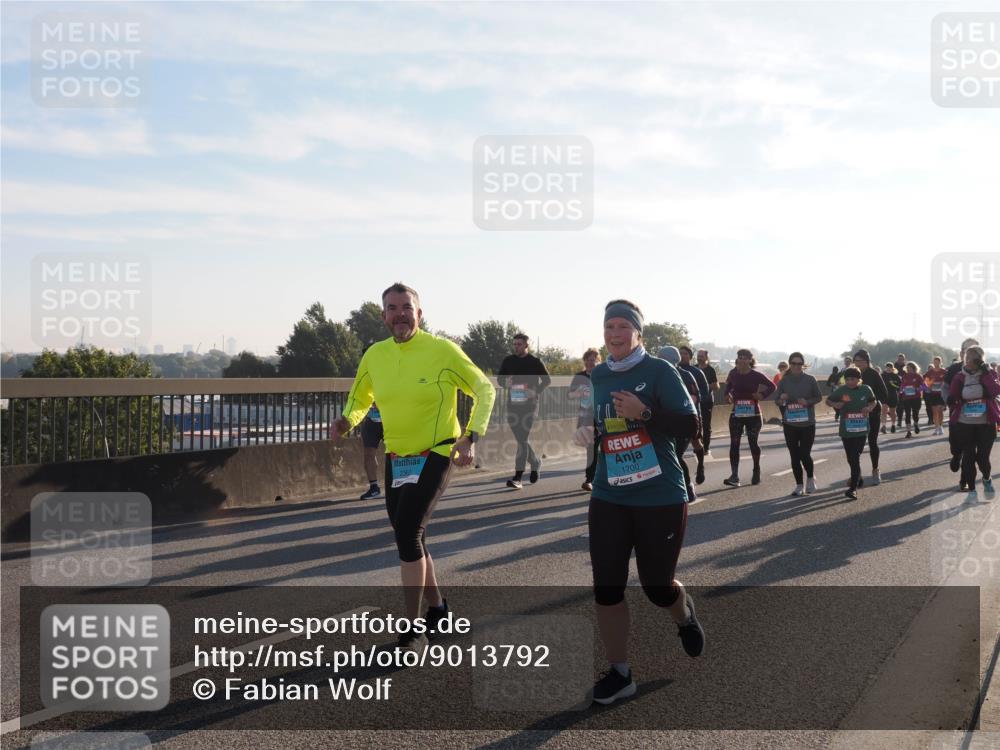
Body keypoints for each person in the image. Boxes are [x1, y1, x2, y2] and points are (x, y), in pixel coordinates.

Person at [331, 283, 496, 653]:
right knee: (411, 535)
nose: (400, 314)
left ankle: (412, 629)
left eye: (407, 307)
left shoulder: (442, 350)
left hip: (437, 451)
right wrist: (347, 420)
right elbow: (360, 397)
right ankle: (438, 609)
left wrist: (471, 436)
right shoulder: (375, 355)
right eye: (392, 308)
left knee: (408, 531)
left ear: (419, 314)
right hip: (397, 457)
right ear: (383, 316)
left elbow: (485, 390)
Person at [573, 299, 703, 706]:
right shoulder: (597, 376)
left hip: (659, 494)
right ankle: (620, 672)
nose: (614, 333)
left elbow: (690, 424)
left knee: (656, 586)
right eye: (609, 326)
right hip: (609, 493)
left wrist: (644, 412)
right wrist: (585, 429)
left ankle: (682, 613)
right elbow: (590, 417)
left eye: (622, 326)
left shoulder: (660, 371)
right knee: (606, 586)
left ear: (638, 333)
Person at [497, 334, 551, 489]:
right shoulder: (508, 361)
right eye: (514, 344)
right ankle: (535, 462)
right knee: (522, 439)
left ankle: (518, 477)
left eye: (519, 344)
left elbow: (547, 380)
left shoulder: (535, 362)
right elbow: (500, 379)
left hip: (530, 406)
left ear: (526, 345)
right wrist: (505, 383)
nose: (516, 347)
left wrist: (535, 391)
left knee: (522, 440)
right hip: (513, 405)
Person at [948, 345, 999, 494]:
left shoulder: (989, 374)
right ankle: (971, 490)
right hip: (965, 422)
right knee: (968, 457)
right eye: (967, 358)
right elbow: (952, 396)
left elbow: (996, 390)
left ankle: (987, 479)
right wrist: (951, 399)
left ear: (980, 360)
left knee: (983, 458)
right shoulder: (959, 376)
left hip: (986, 423)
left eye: (974, 358)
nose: (969, 361)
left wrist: (985, 373)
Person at [721, 349, 776, 487]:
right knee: (734, 444)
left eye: (745, 358)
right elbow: (728, 387)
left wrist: (762, 395)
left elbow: (772, 386)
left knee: (753, 443)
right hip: (737, 413)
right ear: (737, 359)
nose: (742, 360)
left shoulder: (756, 375)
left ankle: (756, 470)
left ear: (750, 360)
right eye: (740, 357)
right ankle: (734, 476)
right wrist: (727, 396)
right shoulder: (733, 373)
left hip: (754, 414)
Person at [773, 352, 823, 496]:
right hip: (790, 424)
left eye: (799, 364)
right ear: (790, 364)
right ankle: (799, 485)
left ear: (803, 365)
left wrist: (807, 402)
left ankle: (810, 479)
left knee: (805, 454)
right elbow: (777, 401)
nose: (796, 366)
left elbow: (819, 397)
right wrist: (782, 399)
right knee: (794, 456)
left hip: (807, 423)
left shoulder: (810, 379)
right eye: (794, 363)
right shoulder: (784, 380)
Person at [659, 346, 704, 502]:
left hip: (685, 421)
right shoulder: (658, 375)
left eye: (661, 358)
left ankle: (689, 485)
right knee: (668, 455)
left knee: (677, 454)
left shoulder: (686, 375)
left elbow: (696, 398)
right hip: (665, 422)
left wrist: (695, 422)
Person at [826, 367, 878, 500]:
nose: (850, 382)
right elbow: (828, 400)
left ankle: (853, 489)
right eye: (847, 379)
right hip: (846, 430)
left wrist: (869, 408)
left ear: (859, 379)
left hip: (861, 429)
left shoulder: (866, 389)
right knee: (851, 458)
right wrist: (835, 404)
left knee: (855, 457)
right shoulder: (842, 390)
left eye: (853, 379)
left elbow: (873, 401)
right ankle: (857, 478)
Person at [852, 349, 888, 486]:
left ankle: (875, 469)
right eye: (856, 361)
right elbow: (843, 391)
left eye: (861, 361)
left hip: (872, 412)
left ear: (867, 361)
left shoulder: (874, 374)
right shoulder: (850, 374)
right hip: (855, 415)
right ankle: (857, 473)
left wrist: (871, 403)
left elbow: (884, 393)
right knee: (856, 445)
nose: (858, 363)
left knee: (872, 442)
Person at [945, 338, 980, 474]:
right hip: (957, 411)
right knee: (955, 441)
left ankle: (966, 478)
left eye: (975, 350)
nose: (971, 353)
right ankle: (956, 454)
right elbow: (945, 388)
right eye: (968, 350)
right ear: (961, 353)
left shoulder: (984, 369)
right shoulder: (954, 368)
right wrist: (948, 400)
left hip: (977, 414)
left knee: (970, 448)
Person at [569, 348, 601, 492]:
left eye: (592, 360)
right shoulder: (579, 376)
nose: (589, 363)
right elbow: (570, 395)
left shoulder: (603, 375)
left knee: (605, 448)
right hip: (586, 416)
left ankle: (602, 476)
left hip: (603, 415)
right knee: (591, 448)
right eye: (587, 360)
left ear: (598, 361)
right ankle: (589, 479)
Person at [679, 346, 711, 484]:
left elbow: (704, 391)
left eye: (685, 353)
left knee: (696, 442)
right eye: (680, 353)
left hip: (693, 414)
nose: (682, 355)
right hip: (676, 415)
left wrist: (693, 401)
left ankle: (700, 466)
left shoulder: (696, 372)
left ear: (690, 357)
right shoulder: (669, 371)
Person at [695, 349, 720, 458]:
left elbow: (716, 386)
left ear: (706, 357)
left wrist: (704, 386)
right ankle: (699, 446)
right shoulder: (694, 368)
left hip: (707, 401)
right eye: (698, 356)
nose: (699, 358)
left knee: (706, 425)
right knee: (697, 424)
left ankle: (706, 447)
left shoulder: (710, 370)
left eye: (701, 356)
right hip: (695, 401)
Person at [359, 404, 385, 499]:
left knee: (396, 452)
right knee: (369, 454)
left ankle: (401, 486)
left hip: (390, 419)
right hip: (371, 420)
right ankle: (374, 488)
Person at [899, 362, 925, 438]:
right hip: (906, 398)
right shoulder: (904, 376)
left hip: (916, 398)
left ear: (914, 368)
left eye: (910, 367)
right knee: (907, 414)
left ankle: (916, 424)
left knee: (915, 413)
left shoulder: (918, 376)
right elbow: (902, 386)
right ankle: (908, 431)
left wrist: (917, 389)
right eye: (907, 368)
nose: (908, 369)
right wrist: (901, 390)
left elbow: (924, 386)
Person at [924, 356, 948, 435]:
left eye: (937, 362)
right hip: (933, 394)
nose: (936, 363)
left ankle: (940, 426)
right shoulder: (930, 372)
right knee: (934, 412)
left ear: (940, 363)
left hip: (941, 394)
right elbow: (925, 380)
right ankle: (936, 427)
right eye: (935, 362)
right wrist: (929, 385)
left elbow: (947, 381)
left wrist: (943, 384)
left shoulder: (944, 371)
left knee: (940, 411)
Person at [880, 364, 900, 434]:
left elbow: (899, 386)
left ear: (892, 368)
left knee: (892, 412)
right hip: (884, 396)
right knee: (884, 411)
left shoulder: (895, 376)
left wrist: (893, 384)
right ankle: (883, 426)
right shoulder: (882, 375)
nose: (888, 368)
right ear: (885, 368)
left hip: (893, 395)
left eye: (890, 367)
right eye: (887, 367)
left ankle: (893, 425)